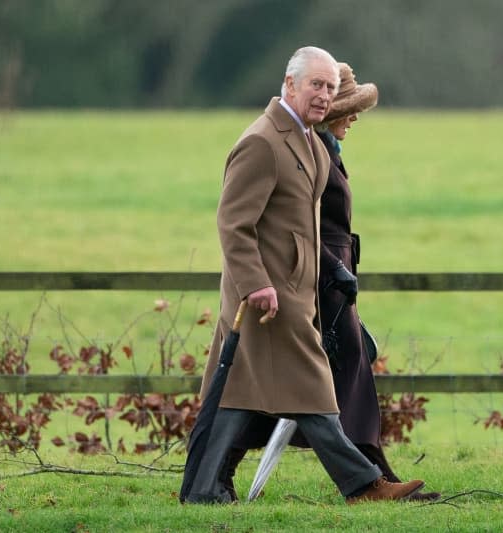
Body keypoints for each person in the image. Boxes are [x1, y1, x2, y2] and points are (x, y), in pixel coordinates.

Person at [179, 46, 425, 505]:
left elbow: (305, 228)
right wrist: (256, 285)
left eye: (331, 88)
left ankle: (204, 488)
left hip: (293, 294)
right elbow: (233, 224)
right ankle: (363, 485)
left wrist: (330, 268)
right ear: (290, 84)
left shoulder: (308, 140)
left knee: (237, 396)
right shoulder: (261, 142)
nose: (325, 95)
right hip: (266, 299)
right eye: (317, 84)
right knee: (313, 389)